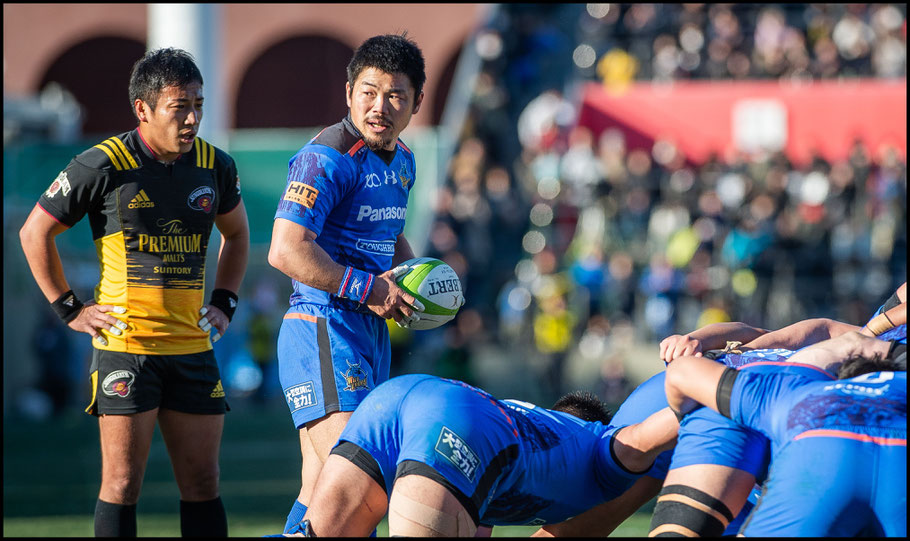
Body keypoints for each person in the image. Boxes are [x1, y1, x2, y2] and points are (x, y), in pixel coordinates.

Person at [18, 48, 249, 537]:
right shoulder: (103, 163)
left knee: (204, 482)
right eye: (179, 107)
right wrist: (69, 309)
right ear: (142, 109)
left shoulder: (215, 166)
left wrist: (225, 300)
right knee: (122, 484)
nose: (192, 119)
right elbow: (34, 233)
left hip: (193, 348)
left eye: (198, 105)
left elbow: (238, 235)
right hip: (127, 349)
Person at [266, 33, 428, 534]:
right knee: (364, 487)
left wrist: (417, 282)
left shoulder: (403, 160)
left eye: (396, 95)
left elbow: (388, 234)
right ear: (348, 93)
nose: (381, 106)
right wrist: (369, 289)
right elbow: (286, 250)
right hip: (322, 328)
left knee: (322, 491)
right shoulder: (326, 157)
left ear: (417, 102)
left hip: (368, 332)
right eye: (369, 91)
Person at [649, 284, 906, 536]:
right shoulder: (800, 377)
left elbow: (683, 372)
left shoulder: (795, 385)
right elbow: (823, 329)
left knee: (712, 418)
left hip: (805, 433)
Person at [285, 373, 679, 537]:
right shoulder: (600, 451)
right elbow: (645, 435)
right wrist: (728, 391)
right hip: (461, 425)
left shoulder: (535, 430)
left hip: (400, 396)